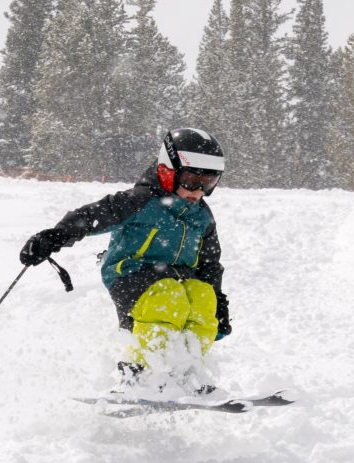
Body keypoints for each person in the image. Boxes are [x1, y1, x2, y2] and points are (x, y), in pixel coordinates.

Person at [18, 128, 231, 393]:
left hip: (178, 277)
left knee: (202, 298)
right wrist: (53, 237)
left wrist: (218, 302)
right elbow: (91, 215)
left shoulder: (202, 216)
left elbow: (210, 263)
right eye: (190, 179)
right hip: (130, 275)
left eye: (208, 183)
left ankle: (186, 372)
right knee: (168, 297)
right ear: (167, 171)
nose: (197, 190)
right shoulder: (141, 201)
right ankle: (138, 374)